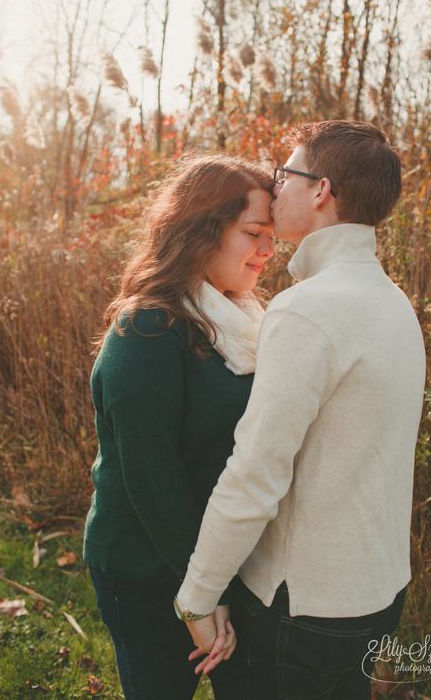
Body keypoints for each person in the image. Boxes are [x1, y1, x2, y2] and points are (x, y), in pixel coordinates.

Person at [175, 121, 426, 699]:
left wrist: (198, 594)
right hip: (379, 595)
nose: (274, 184)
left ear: (321, 191)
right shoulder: (395, 305)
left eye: (286, 173)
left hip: (302, 608)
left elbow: (256, 473)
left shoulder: (306, 310)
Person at [83, 155, 276, 699]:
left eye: (271, 236)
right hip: (146, 567)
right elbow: (152, 476)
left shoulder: (244, 318)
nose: (267, 250)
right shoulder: (147, 327)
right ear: (202, 231)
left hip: (220, 561)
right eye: (253, 233)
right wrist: (201, 596)